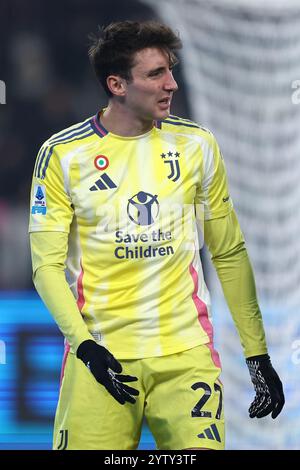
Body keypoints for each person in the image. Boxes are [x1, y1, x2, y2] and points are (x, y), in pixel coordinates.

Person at [29, 20, 284, 451]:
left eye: (170, 70)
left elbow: (229, 252)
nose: (172, 84)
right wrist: (86, 347)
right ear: (117, 84)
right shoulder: (63, 156)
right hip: (101, 355)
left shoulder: (197, 146)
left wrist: (256, 354)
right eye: (155, 74)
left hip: (186, 355)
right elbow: (46, 268)